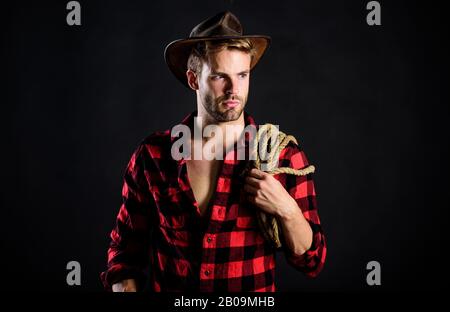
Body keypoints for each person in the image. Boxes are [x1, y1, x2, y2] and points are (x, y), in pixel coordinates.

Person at [101, 11, 326, 292]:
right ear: (194, 80)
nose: (234, 89)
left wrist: (286, 208)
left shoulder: (281, 156)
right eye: (220, 76)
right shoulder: (153, 157)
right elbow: (124, 252)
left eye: (242, 75)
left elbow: (312, 260)